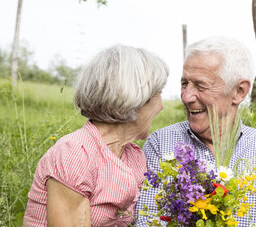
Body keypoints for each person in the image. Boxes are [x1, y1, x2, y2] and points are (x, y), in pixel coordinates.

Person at [135, 36, 256, 226]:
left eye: (200, 85)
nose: (186, 96)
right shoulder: (161, 143)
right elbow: (147, 220)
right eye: (184, 84)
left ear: (239, 91)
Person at [23, 44, 169, 227]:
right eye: (158, 94)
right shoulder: (76, 154)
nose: (161, 105)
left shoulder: (133, 156)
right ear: (135, 99)